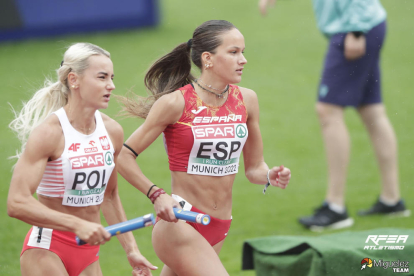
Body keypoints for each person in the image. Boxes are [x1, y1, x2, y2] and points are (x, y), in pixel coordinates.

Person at [116, 20, 292, 275]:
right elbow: (123, 156)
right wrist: (156, 194)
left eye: (243, 52)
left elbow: (254, 167)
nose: (242, 60)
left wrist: (269, 174)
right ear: (208, 58)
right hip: (180, 223)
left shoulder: (247, 100)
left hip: (218, 225)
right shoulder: (175, 103)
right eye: (233, 52)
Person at [7, 43, 157, 276]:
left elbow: (109, 196)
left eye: (112, 77)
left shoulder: (112, 131)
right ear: (74, 80)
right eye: (102, 77)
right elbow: (16, 203)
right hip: (47, 249)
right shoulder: (49, 133)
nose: (111, 85)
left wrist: (131, 250)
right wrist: (77, 225)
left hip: (89, 253)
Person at [259, 0, 410, 231]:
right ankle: (392, 200)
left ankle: (336, 208)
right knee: (371, 110)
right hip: (368, 23)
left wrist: (357, 29)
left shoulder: (356, 26)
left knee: (328, 110)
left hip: (356, 26)